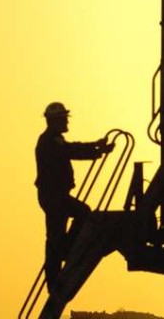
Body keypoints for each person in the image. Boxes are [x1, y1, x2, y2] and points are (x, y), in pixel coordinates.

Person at [34, 101, 112, 293]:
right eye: (64, 119)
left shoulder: (53, 139)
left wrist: (96, 147)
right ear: (57, 120)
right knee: (81, 214)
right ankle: (66, 251)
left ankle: (59, 263)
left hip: (54, 196)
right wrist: (97, 150)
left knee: (55, 237)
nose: (67, 122)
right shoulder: (50, 141)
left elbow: (71, 148)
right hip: (54, 197)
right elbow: (71, 151)